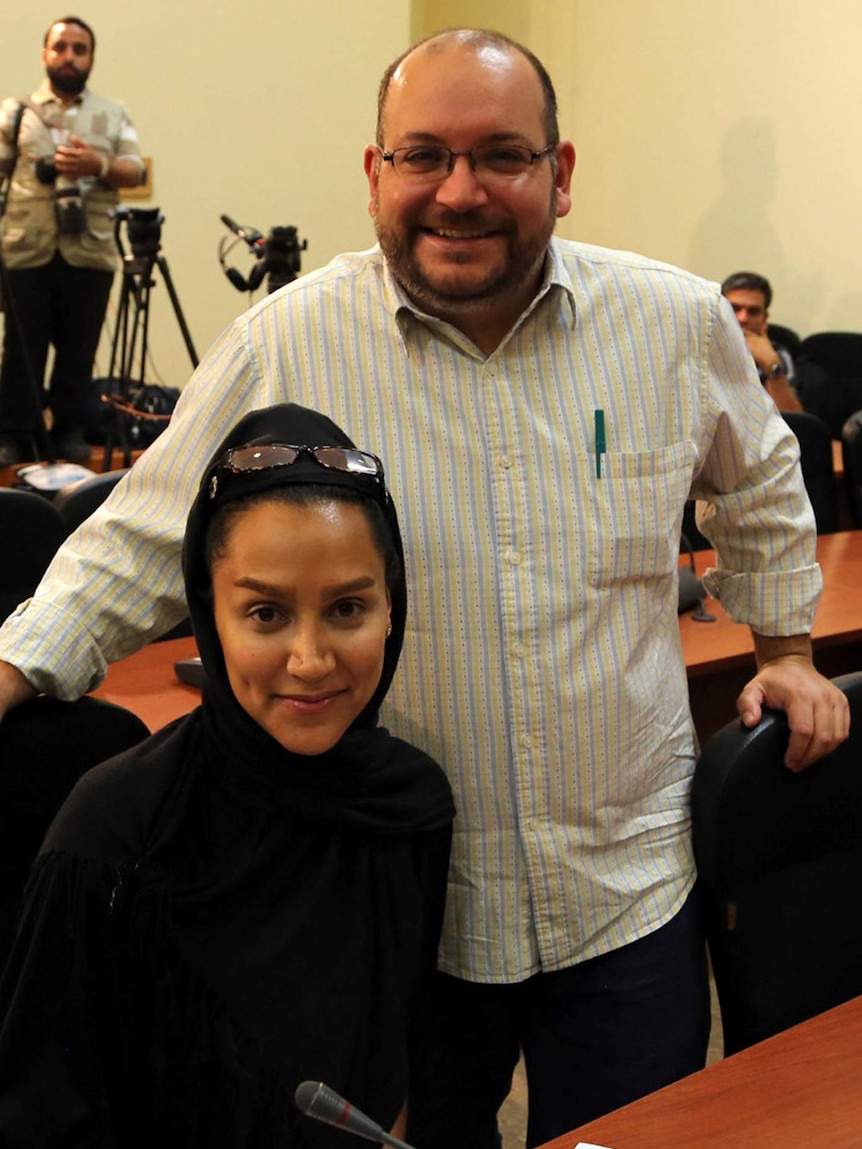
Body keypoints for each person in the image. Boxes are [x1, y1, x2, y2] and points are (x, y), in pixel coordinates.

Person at [0, 27, 850, 1147]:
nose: (459, 191)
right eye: (422, 157)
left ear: (560, 171)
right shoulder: (287, 340)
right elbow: (145, 538)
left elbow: (764, 486)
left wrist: (784, 645)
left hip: (627, 895)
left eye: (501, 154)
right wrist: (14, 666)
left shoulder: (674, 324)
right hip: (397, 911)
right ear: (374, 175)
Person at [0, 402, 454, 1147]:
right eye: (266, 614)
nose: (310, 660)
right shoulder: (115, 834)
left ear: (391, 612)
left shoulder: (410, 806)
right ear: (210, 617)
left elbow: (390, 1070)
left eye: (347, 607)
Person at [0, 15, 145, 466]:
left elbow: (135, 169)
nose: (69, 56)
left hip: (91, 249)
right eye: (60, 47)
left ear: (91, 58)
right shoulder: (15, 111)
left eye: (79, 49)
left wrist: (95, 165)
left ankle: (68, 432)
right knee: (22, 346)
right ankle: (16, 435)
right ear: (45, 54)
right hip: (25, 247)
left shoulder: (113, 112)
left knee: (78, 348)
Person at [721, 271, 803, 413]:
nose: (743, 318)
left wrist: (771, 365)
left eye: (753, 311)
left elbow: (794, 423)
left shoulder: (777, 353)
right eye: (734, 308)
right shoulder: (698, 346)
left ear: (764, 319)